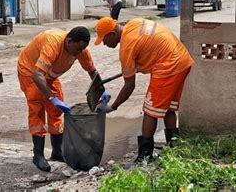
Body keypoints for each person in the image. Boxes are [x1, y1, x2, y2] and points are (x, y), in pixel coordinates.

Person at [94, 17, 194, 163]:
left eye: (104, 39)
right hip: (182, 59)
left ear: (113, 33)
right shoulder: (133, 23)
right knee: (168, 108)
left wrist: (113, 106)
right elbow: (147, 46)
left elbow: (129, 86)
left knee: (149, 111)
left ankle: (144, 156)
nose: (104, 43)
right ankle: (175, 148)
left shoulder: (127, 47)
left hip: (168, 66)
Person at [17, 27, 100, 172]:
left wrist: (101, 90)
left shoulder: (81, 49)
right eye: (77, 49)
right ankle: (38, 155)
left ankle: (57, 152)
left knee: (56, 109)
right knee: (37, 107)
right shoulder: (53, 44)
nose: (79, 53)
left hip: (48, 75)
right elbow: (37, 76)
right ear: (69, 41)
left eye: (82, 50)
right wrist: (51, 97)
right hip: (30, 71)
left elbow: (92, 71)